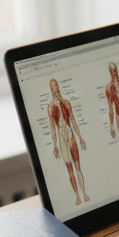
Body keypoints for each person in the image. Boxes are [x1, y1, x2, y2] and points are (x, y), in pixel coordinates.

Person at [47, 78, 89, 206]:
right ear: (51, 89)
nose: (55, 90)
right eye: (53, 88)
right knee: (70, 170)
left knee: (78, 167)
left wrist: (80, 137)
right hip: (61, 139)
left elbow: (73, 120)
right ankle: (77, 196)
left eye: (56, 87)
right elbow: (53, 129)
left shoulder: (66, 103)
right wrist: (55, 146)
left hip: (71, 136)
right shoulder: (50, 107)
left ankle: (84, 193)